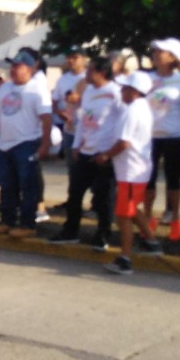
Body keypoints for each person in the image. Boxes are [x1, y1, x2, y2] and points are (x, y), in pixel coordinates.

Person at [50, 57, 122, 249]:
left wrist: (110, 151)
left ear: (103, 73)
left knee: (103, 197)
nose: (87, 73)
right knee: (75, 193)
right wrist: (76, 144)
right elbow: (82, 118)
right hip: (85, 150)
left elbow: (123, 122)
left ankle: (103, 235)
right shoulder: (89, 91)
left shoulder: (116, 93)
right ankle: (71, 230)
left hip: (104, 153)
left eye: (91, 70)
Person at [101, 72, 163, 274]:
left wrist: (106, 155)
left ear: (135, 91)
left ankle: (125, 259)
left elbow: (124, 142)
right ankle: (152, 242)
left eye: (125, 88)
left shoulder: (132, 111)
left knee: (123, 216)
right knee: (131, 209)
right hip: (136, 170)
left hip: (130, 171)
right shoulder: (142, 108)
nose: (121, 91)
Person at [0, 49, 52, 239]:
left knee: (28, 186)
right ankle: (7, 221)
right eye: (13, 66)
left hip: (26, 143)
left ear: (30, 69)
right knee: (6, 185)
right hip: (4, 144)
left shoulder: (37, 89)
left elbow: (46, 119)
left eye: (18, 66)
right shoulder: (5, 88)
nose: (13, 69)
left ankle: (28, 224)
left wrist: (45, 144)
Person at [145, 38, 180, 242]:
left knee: (173, 179)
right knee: (148, 179)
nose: (157, 54)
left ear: (173, 57)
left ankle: (175, 218)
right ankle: (147, 217)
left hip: (175, 135)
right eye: (156, 50)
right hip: (150, 135)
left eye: (162, 51)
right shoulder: (146, 78)